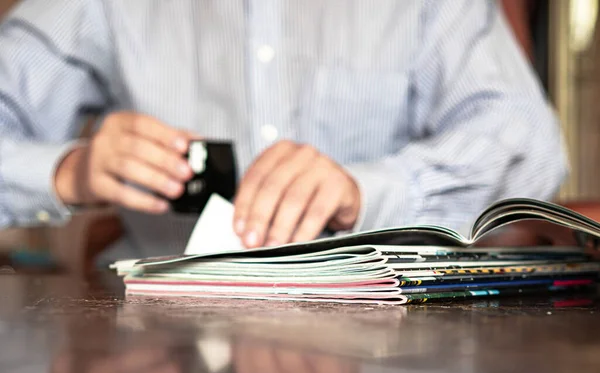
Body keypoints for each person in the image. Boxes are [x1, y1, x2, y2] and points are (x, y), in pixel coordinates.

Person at [0, 0, 567, 261]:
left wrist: (367, 192)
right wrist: (64, 173)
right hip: (154, 344)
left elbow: (530, 144)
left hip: (395, 345)